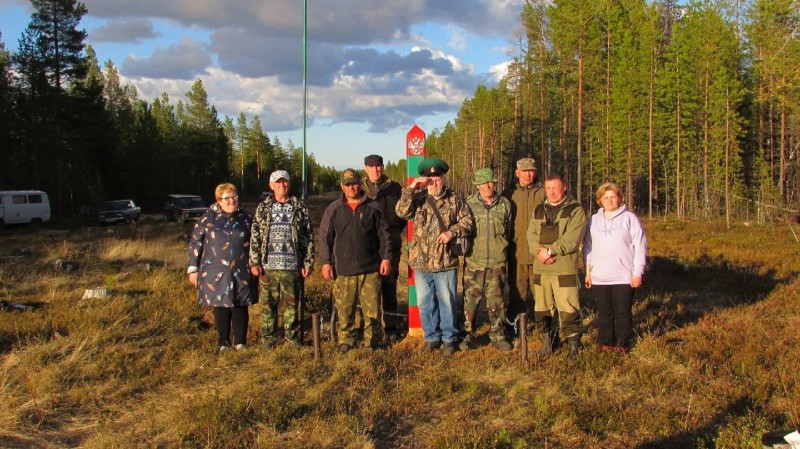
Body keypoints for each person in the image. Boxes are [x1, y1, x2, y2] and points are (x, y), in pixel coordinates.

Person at [395, 158, 474, 356]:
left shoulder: (455, 200)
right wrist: (411, 187)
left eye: (437, 178)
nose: (434, 183)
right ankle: (432, 337)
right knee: (426, 302)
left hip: (445, 262)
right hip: (421, 263)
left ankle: (449, 338)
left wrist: (452, 232)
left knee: (447, 301)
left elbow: (468, 222)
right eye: (430, 179)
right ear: (425, 181)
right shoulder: (418, 198)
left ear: (443, 178)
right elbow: (401, 211)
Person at [319, 169, 392, 353]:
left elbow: (384, 236)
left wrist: (386, 259)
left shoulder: (373, 207)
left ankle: (372, 341)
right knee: (345, 309)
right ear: (342, 186)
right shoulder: (333, 209)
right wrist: (326, 262)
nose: (352, 187)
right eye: (348, 184)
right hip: (343, 270)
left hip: (370, 269)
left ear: (360, 183)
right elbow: (324, 238)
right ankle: (346, 340)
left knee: (372, 309)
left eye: (354, 183)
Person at [249, 170, 315, 347]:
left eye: (285, 181)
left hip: (292, 265)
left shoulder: (299, 207)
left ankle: (292, 339)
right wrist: (254, 261)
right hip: (267, 266)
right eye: (278, 182)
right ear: (271, 186)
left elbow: (308, 235)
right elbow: (255, 235)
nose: (282, 185)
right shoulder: (263, 208)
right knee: (268, 305)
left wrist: (308, 262)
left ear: (289, 184)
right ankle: (269, 338)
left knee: (292, 306)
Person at [187, 183, 256, 352]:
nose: (232, 201)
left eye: (234, 197)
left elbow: (256, 242)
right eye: (227, 198)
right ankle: (223, 342)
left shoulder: (247, 218)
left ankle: (240, 342)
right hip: (215, 269)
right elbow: (196, 242)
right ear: (219, 200)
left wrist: (256, 264)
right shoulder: (207, 218)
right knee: (221, 306)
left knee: (240, 304)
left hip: (241, 268)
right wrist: (193, 268)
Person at [526, 173, 587, 358]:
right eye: (549, 188)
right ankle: (549, 344)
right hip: (541, 270)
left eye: (555, 188)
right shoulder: (538, 210)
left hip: (564, 268)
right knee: (542, 308)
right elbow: (531, 236)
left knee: (568, 308)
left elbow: (571, 239)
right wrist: (540, 253)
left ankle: (574, 347)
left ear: (564, 187)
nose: (552, 192)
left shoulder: (575, 210)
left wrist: (550, 252)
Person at [583, 182, 647, 353]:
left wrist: (637, 272)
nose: (610, 200)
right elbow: (588, 248)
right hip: (599, 277)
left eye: (613, 197)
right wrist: (588, 272)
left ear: (619, 198)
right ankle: (605, 344)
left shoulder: (630, 219)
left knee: (622, 312)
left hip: (624, 276)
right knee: (604, 313)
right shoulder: (593, 221)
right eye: (606, 197)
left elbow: (640, 246)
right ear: (600, 200)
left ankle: (622, 344)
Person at [461, 168, 513, 352]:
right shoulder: (468, 204)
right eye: (483, 183)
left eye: (490, 182)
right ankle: (467, 334)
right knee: (470, 301)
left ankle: (498, 335)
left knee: (497, 301)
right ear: (477, 185)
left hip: (497, 262)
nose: (488, 186)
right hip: (474, 262)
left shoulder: (505, 204)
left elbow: (509, 231)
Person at [361, 154, 405, 339]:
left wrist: (393, 231)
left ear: (383, 167)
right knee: (367, 289)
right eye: (371, 167)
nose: (375, 170)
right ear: (365, 169)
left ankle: (391, 326)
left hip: (391, 246)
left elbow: (403, 214)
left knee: (389, 287)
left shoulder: (394, 188)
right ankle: (369, 326)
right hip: (366, 248)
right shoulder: (359, 188)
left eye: (378, 166)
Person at [501, 157, 545, 330]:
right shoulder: (508, 194)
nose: (528, 174)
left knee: (541, 293)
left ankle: (544, 328)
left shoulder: (543, 193)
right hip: (517, 252)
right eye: (525, 171)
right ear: (517, 173)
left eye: (531, 171)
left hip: (539, 253)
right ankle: (516, 328)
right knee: (517, 293)